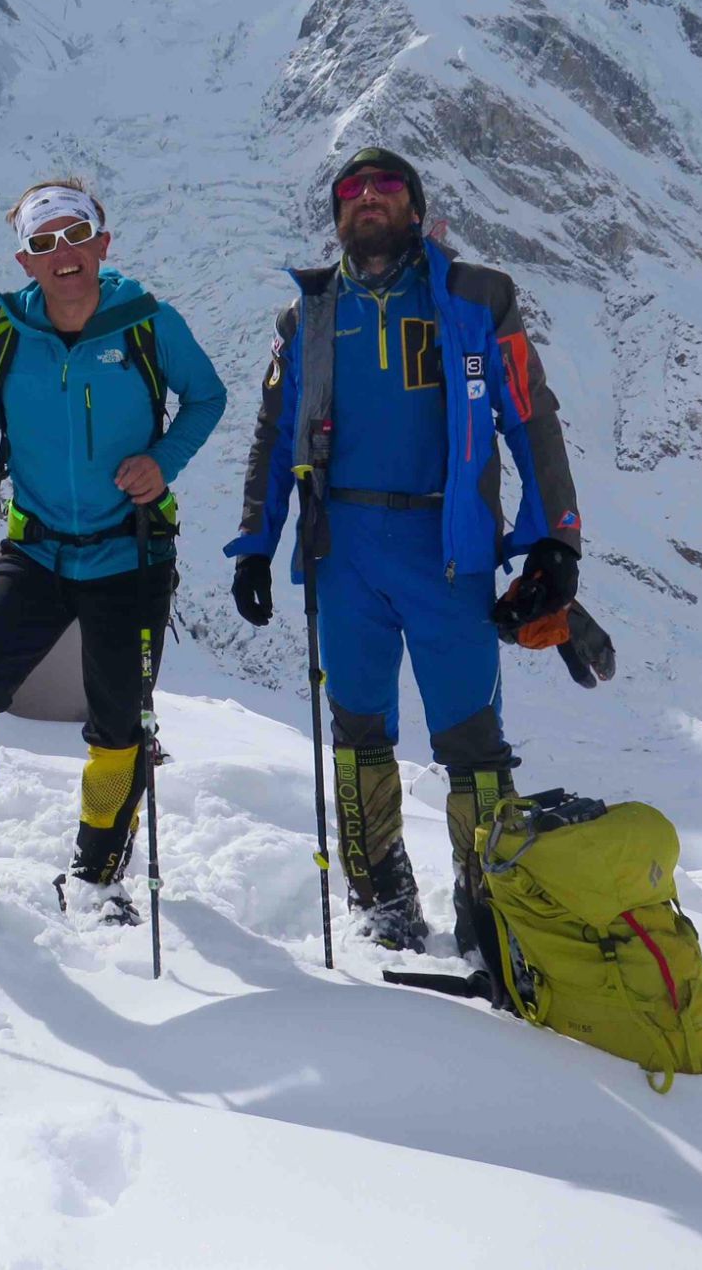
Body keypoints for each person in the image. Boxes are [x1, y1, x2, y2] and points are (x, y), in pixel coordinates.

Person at [224, 146, 584, 953]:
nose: (368, 198)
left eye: (387, 187)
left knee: (472, 743)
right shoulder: (308, 317)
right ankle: (382, 901)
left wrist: (557, 536)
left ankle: (488, 909)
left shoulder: (476, 299)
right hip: (342, 552)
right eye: (351, 190)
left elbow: (530, 417)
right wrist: (256, 543)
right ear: (337, 216)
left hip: (446, 550)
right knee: (358, 733)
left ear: (416, 208)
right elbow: (275, 438)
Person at [0, 178, 227, 927]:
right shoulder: (2, 333)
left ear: (103, 242)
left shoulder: (148, 325)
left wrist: (164, 460)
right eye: (42, 243)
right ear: (24, 261)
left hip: (131, 552)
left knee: (121, 724)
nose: (61, 254)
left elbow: (207, 397)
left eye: (73, 236)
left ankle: (96, 881)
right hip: (34, 549)